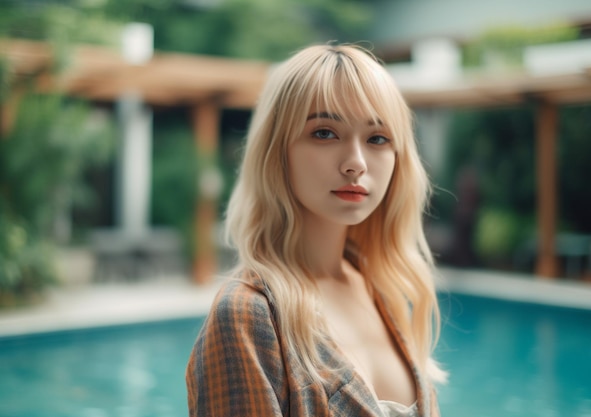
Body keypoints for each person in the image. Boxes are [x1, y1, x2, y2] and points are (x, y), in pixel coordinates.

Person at [186, 43, 446, 417]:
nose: (356, 163)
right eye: (325, 133)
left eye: (377, 138)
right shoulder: (249, 315)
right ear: (278, 151)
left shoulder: (381, 287)